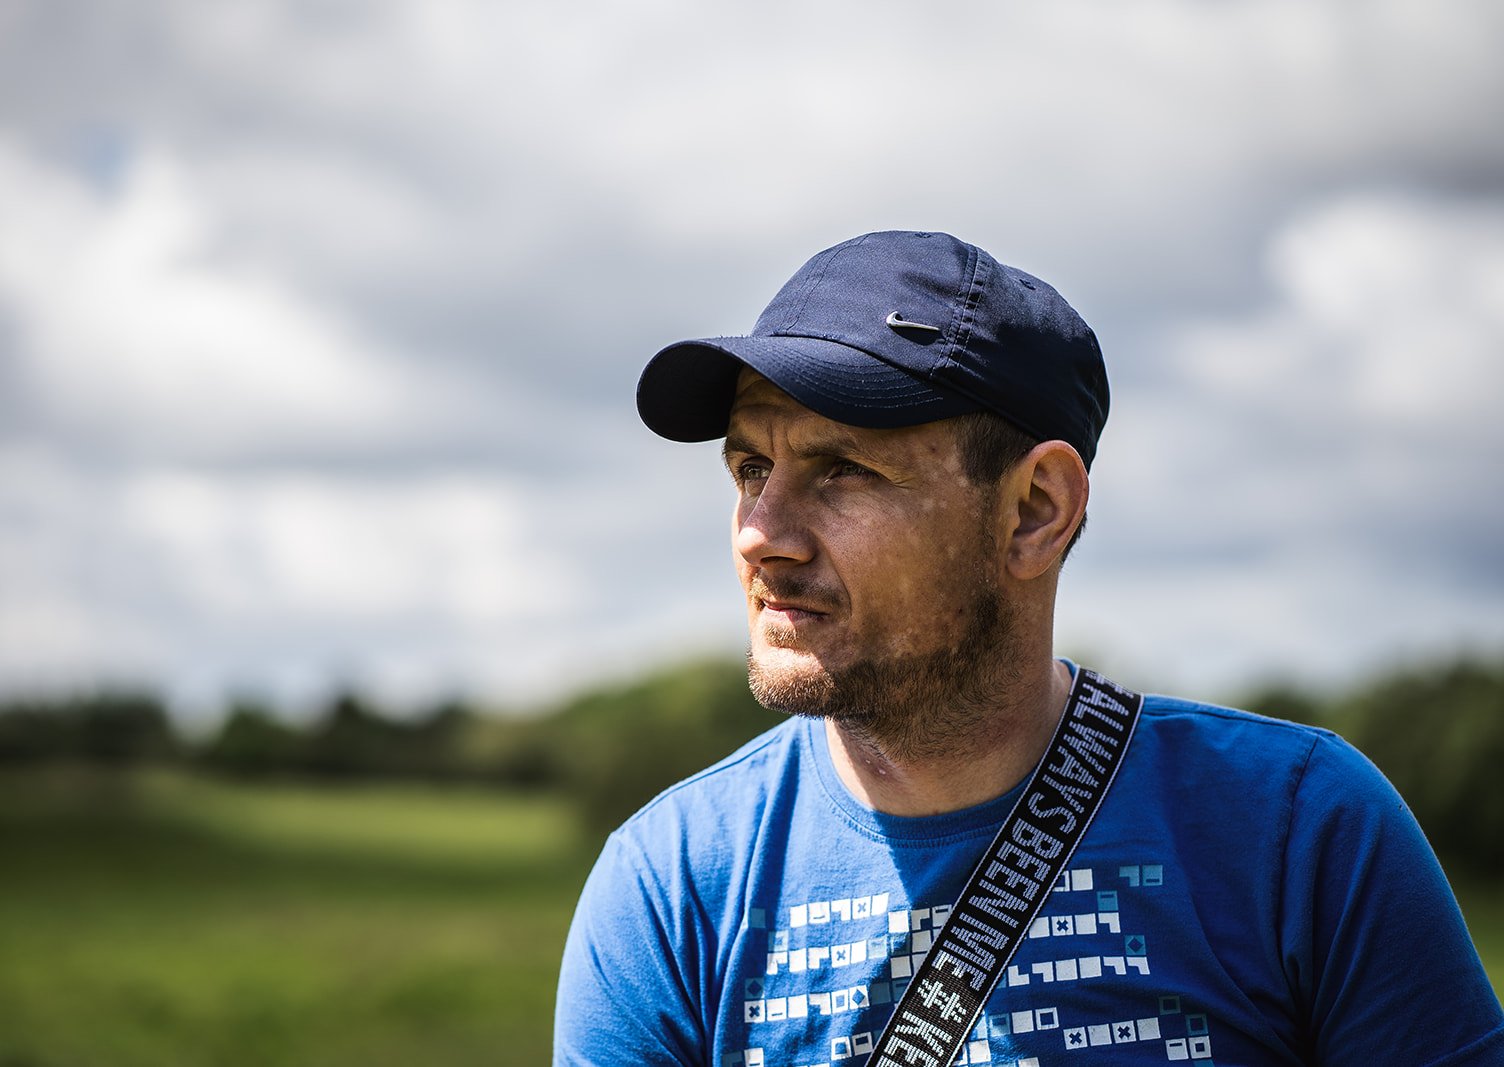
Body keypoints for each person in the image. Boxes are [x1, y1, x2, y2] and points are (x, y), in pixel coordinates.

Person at [552, 230, 1504, 1066]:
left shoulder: (1298, 833)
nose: (763, 531)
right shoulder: (673, 889)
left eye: (843, 468)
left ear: (1036, 511)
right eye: (751, 467)